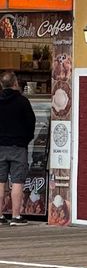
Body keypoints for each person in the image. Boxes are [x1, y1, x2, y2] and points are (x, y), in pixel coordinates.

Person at [0, 71, 36, 226]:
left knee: (0, 181)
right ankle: (16, 216)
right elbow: (31, 123)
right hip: (18, 147)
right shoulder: (22, 101)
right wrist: (25, 140)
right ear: (15, 83)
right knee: (17, 181)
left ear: (1, 85)